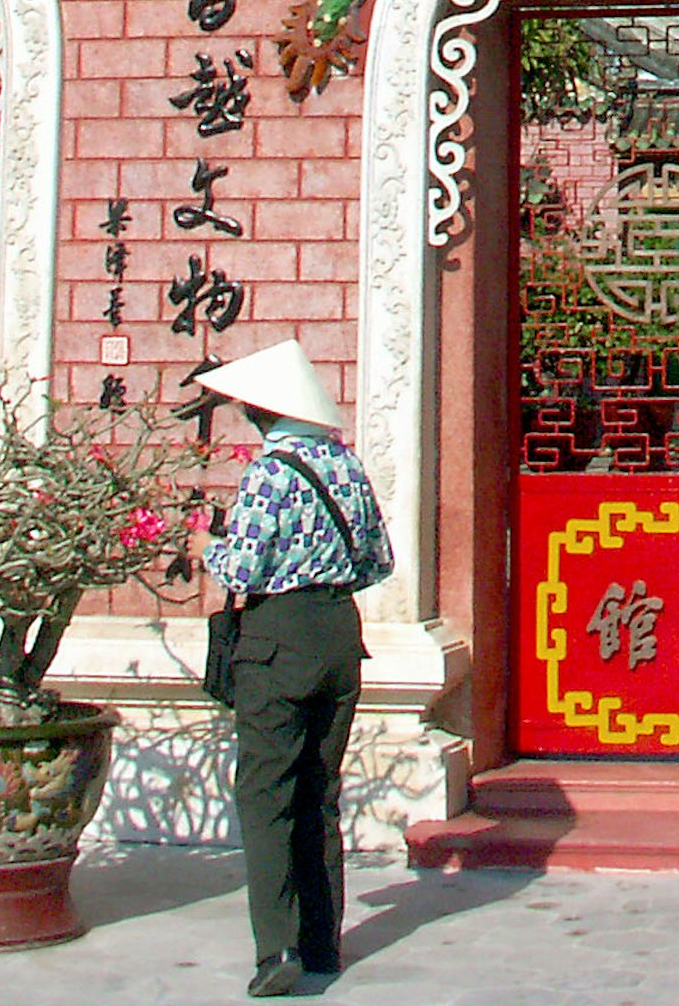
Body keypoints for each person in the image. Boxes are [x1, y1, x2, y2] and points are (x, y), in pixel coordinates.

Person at [197, 339, 393, 997]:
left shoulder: (270, 472)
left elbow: (240, 567)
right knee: (320, 792)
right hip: (340, 632)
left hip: (277, 636)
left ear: (264, 411)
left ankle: (276, 948)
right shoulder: (347, 465)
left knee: (266, 795)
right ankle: (321, 941)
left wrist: (208, 546)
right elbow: (379, 561)